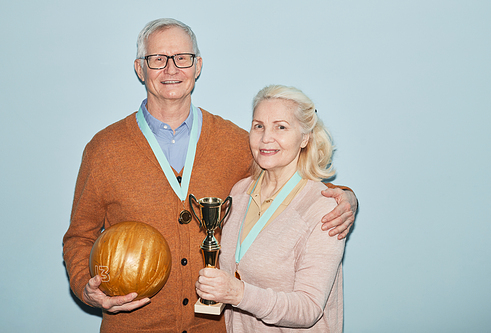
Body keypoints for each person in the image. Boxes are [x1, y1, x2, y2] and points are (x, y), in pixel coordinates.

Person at [63, 18, 357, 333]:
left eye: (182, 58)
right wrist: (86, 287)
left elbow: (284, 178)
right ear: (139, 68)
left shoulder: (235, 142)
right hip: (133, 325)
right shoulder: (104, 149)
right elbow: (80, 237)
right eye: (157, 59)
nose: (171, 69)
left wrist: (343, 197)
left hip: (213, 327)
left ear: (198, 65)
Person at [196, 85, 346, 332]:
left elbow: (308, 308)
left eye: (281, 127)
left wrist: (238, 293)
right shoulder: (239, 193)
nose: (266, 138)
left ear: (305, 138)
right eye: (259, 126)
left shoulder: (323, 208)